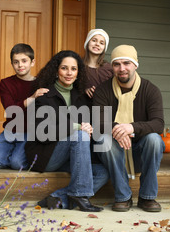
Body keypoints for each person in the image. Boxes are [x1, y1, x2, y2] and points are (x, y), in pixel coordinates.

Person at [25, 50, 109, 212]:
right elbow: (42, 133)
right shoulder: (44, 96)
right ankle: (81, 194)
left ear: (79, 72)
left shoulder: (81, 97)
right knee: (79, 134)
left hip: (69, 156)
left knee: (102, 172)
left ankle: (58, 198)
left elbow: (89, 124)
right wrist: (78, 127)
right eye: (64, 68)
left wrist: (89, 127)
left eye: (73, 69)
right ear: (56, 70)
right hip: (45, 154)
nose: (69, 73)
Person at [92, 45, 165, 212]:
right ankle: (123, 197)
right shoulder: (103, 90)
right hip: (113, 155)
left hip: (140, 153)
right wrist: (118, 130)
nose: (121, 68)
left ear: (135, 65)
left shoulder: (150, 90)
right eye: (117, 64)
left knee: (154, 139)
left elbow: (158, 123)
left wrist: (131, 128)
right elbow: (97, 122)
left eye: (126, 63)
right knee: (104, 140)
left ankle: (147, 198)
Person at [0, 43, 49, 170]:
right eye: (16, 62)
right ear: (12, 64)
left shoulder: (41, 84)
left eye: (24, 61)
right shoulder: (6, 83)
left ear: (32, 62)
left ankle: (13, 157)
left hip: (29, 132)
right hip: (11, 130)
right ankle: (10, 154)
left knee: (17, 164)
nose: (20, 65)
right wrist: (32, 98)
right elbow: (11, 110)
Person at [83, 29, 113, 98]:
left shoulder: (109, 68)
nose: (97, 44)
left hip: (104, 107)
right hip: (82, 106)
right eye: (94, 40)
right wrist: (85, 90)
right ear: (87, 42)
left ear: (104, 48)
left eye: (101, 43)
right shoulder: (78, 66)